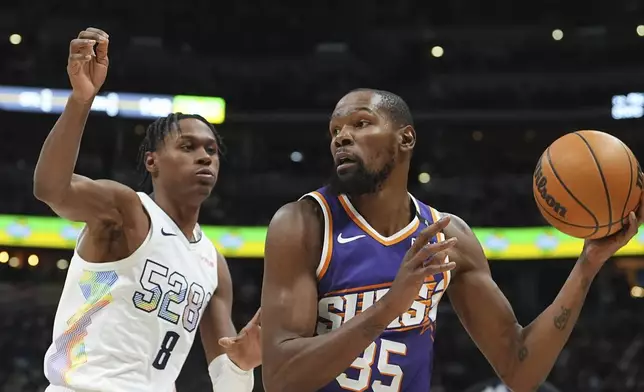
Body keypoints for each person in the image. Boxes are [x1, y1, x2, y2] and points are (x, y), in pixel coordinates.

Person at [260, 88, 644, 392]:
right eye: (335, 130)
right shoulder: (303, 224)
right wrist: (390, 305)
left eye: (361, 123)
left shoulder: (449, 237)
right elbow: (280, 379)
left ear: (405, 138)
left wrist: (587, 266)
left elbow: (521, 370)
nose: (342, 136)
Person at [33, 27, 260, 392]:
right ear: (152, 161)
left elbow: (227, 376)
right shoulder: (126, 211)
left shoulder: (212, 261)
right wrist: (80, 100)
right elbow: (50, 188)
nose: (204, 156)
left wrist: (242, 364)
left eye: (212, 150)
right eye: (187, 146)